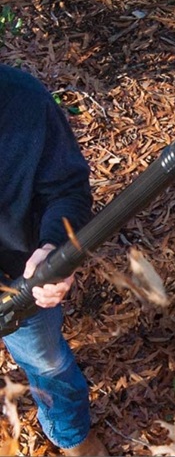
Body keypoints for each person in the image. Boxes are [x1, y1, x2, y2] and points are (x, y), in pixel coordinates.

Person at [0, 64, 105, 456]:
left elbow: (67, 189)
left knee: (46, 362)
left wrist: (55, 249)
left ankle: (71, 434)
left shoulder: (22, 100)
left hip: (18, 286)